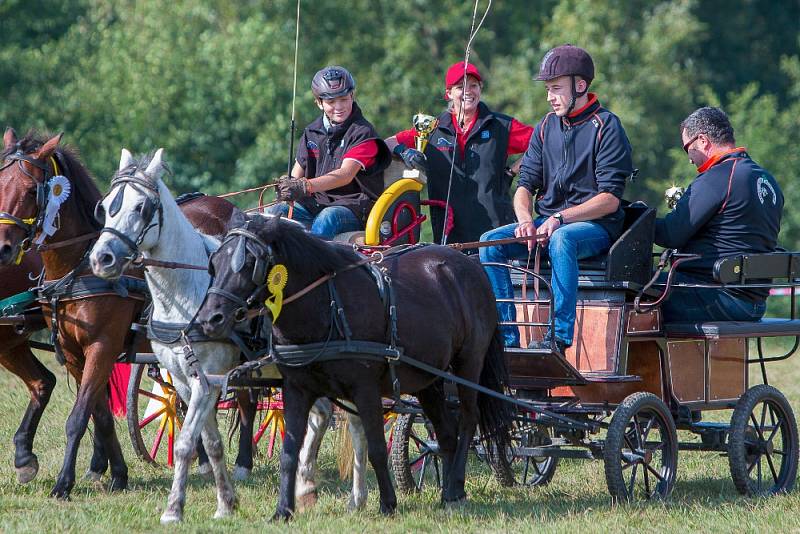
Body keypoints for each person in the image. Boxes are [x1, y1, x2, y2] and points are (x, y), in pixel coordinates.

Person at [479, 45, 634, 352]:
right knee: (489, 244)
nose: (550, 97)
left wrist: (560, 218)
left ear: (580, 86)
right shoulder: (545, 126)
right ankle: (508, 339)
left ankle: (560, 336)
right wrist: (525, 221)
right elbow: (524, 186)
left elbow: (610, 200)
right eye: (548, 89)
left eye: (556, 89)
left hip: (594, 226)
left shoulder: (607, 126)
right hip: (546, 222)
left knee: (563, 239)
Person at [655, 107, 783, 322]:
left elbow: (670, 235)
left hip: (718, 298)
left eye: (688, 148)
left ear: (703, 141)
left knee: (631, 290)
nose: (689, 159)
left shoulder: (719, 176)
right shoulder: (767, 180)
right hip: (754, 303)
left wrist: (632, 219)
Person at [385, 61, 534, 245]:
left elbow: (542, 142)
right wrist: (405, 152)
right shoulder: (432, 129)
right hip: (450, 234)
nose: (468, 91)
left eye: (474, 85)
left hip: (495, 233)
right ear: (448, 93)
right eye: (460, 87)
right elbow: (388, 143)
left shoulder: (501, 126)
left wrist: (512, 170)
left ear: (481, 89)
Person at [269, 66, 390, 239]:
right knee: (274, 212)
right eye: (331, 102)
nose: (339, 107)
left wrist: (305, 186)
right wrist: (287, 187)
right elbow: (296, 173)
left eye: (343, 99)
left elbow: (345, 175)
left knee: (327, 218)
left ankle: (311, 264)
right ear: (319, 103)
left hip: (353, 207)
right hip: (315, 203)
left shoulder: (363, 133)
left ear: (352, 96)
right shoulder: (311, 132)